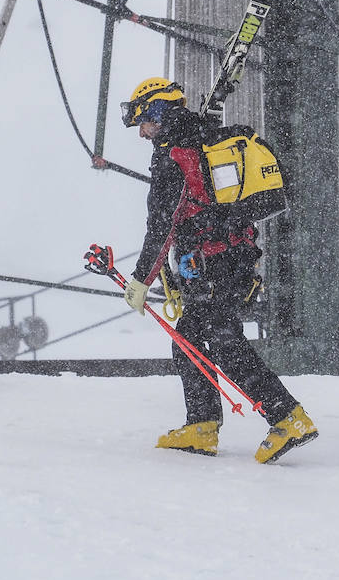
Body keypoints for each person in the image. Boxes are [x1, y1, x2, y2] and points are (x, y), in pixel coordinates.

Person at [120, 77, 318, 463]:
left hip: (214, 264)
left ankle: (287, 416)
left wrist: (141, 280)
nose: (142, 132)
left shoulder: (172, 156)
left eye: (143, 121)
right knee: (189, 340)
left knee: (223, 342)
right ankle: (202, 426)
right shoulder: (208, 136)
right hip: (234, 258)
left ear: (158, 112)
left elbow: (161, 226)